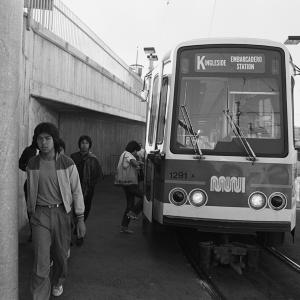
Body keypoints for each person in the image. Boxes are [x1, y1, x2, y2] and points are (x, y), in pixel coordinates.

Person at [26, 122, 86, 299]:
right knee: (41, 261)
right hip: (40, 216)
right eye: (40, 139)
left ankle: (58, 280)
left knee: (60, 258)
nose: (43, 142)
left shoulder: (67, 163)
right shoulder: (32, 163)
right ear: (36, 141)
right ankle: (39, 296)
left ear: (55, 140)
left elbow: (76, 191)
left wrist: (80, 218)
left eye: (47, 138)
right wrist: (31, 213)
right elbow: (30, 189)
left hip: (62, 214)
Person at [71, 135, 102, 221]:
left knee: (86, 206)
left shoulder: (93, 159)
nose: (84, 145)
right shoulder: (73, 157)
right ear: (79, 144)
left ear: (89, 145)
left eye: (86, 143)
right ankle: (75, 223)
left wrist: (91, 185)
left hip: (88, 188)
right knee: (74, 205)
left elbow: (98, 174)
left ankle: (81, 224)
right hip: (75, 186)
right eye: (82, 143)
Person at [119, 140, 144, 234]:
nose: (136, 153)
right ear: (132, 149)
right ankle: (133, 212)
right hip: (130, 183)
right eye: (135, 151)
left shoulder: (124, 154)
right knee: (145, 197)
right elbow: (135, 163)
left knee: (129, 205)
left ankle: (124, 227)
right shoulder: (128, 154)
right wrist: (141, 163)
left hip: (126, 183)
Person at [19, 137, 38, 241]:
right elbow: (20, 163)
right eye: (39, 138)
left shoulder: (49, 151)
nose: (42, 141)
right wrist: (25, 167)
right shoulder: (29, 150)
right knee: (31, 208)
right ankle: (33, 231)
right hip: (30, 183)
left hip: (45, 185)